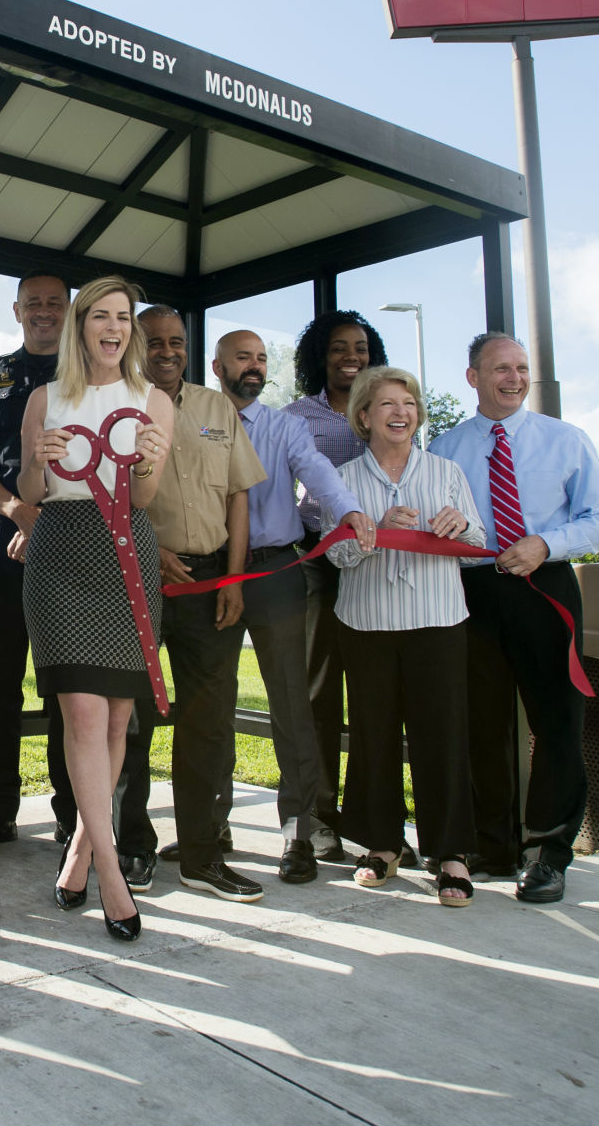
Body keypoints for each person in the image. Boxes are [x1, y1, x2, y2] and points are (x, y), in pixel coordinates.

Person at [431, 332, 599, 903]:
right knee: (480, 725)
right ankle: (492, 846)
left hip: (546, 587)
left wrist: (546, 543)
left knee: (558, 723)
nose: (513, 378)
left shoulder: (566, 441)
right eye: (500, 369)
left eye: (521, 368)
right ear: (473, 378)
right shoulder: (443, 449)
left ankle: (548, 853)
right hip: (472, 594)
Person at [18, 275, 174, 941]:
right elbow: (30, 489)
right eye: (100, 316)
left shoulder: (153, 400)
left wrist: (148, 461)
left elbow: (142, 499)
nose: (112, 327)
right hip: (58, 553)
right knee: (81, 710)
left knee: (116, 718)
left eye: (122, 317)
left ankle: (81, 847)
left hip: (125, 553)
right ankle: (112, 872)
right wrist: (36, 458)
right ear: (81, 326)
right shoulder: (43, 397)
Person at [213, 330, 375, 887]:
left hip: (277, 570)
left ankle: (298, 833)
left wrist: (348, 509)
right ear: (218, 366)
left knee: (291, 702)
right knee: (210, 704)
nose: (255, 367)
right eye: (243, 357)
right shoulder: (195, 419)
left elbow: (319, 473)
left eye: (261, 359)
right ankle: (210, 827)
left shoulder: (286, 427)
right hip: (211, 574)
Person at [327, 367, 486, 906]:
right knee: (373, 735)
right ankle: (382, 844)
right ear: (365, 416)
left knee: (441, 735)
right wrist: (374, 529)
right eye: (387, 404)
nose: (401, 413)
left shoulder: (446, 472)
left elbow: (479, 540)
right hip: (367, 623)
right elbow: (336, 555)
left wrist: (460, 527)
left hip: (438, 621)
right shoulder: (342, 479)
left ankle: (451, 854)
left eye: (409, 404)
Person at [129, 306, 266, 898]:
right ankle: (129, 848)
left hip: (211, 584)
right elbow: (108, 495)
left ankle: (201, 855)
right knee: (128, 722)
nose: (166, 350)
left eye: (176, 341)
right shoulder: (116, 403)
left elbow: (239, 497)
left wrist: (234, 579)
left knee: (208, 723)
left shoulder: (217, 409)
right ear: (136, 345)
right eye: (154, 341)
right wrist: (149, 546)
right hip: (137, 581)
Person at [0, 272, 75, 855]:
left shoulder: (89, 376)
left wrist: (47, 519)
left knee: (67, 683)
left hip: (74, 537)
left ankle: (73, 812)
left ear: (69, 309)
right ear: (17, 310)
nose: (44, 312)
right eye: (34, 304)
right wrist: (19, 511)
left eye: (55, 303)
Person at [283, 310, 389, 863]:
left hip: (380, 566)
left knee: (375, 693)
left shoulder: (388, 408)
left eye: (362, 347)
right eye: (339, 348)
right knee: (319, 691)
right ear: (319, 357)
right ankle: (319, 816)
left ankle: (375, 822)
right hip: (318, 562)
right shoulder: (298, 416)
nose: (352, 356)